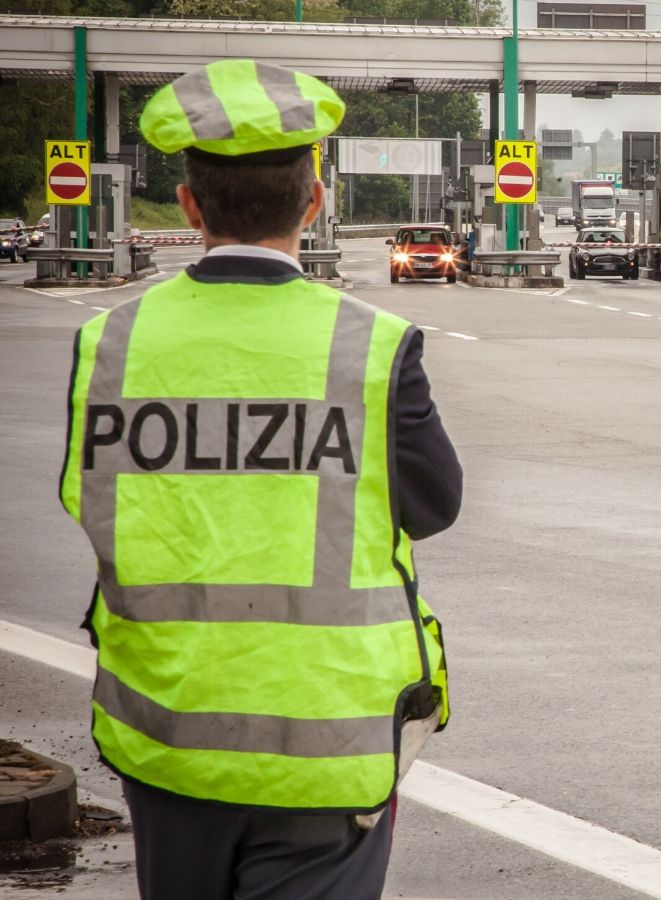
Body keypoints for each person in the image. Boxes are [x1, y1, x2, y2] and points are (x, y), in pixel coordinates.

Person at [58, 60, 463, 899]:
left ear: (189, 206)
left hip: (168, 730)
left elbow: (89, 503)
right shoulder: (374, 346)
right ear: (314, 202)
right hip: (329, 741)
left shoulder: (110, 343)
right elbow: (433, 506)